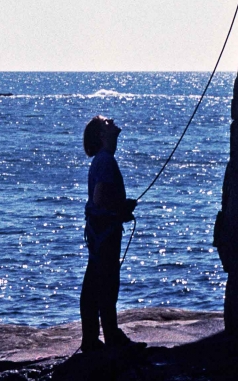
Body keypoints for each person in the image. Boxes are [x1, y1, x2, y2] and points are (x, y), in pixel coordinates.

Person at [80, 116, 144, 354]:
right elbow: (100, 199)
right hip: (104, 233)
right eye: (107, 122)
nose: (114, 121)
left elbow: (101, 200)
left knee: (98, 283)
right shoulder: (106, 161)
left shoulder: (102, 160)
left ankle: (97, 338)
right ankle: (107, 338)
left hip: (100, 231)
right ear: (102, 136)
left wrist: (120, 208)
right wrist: (121, 209)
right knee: (106, 284)